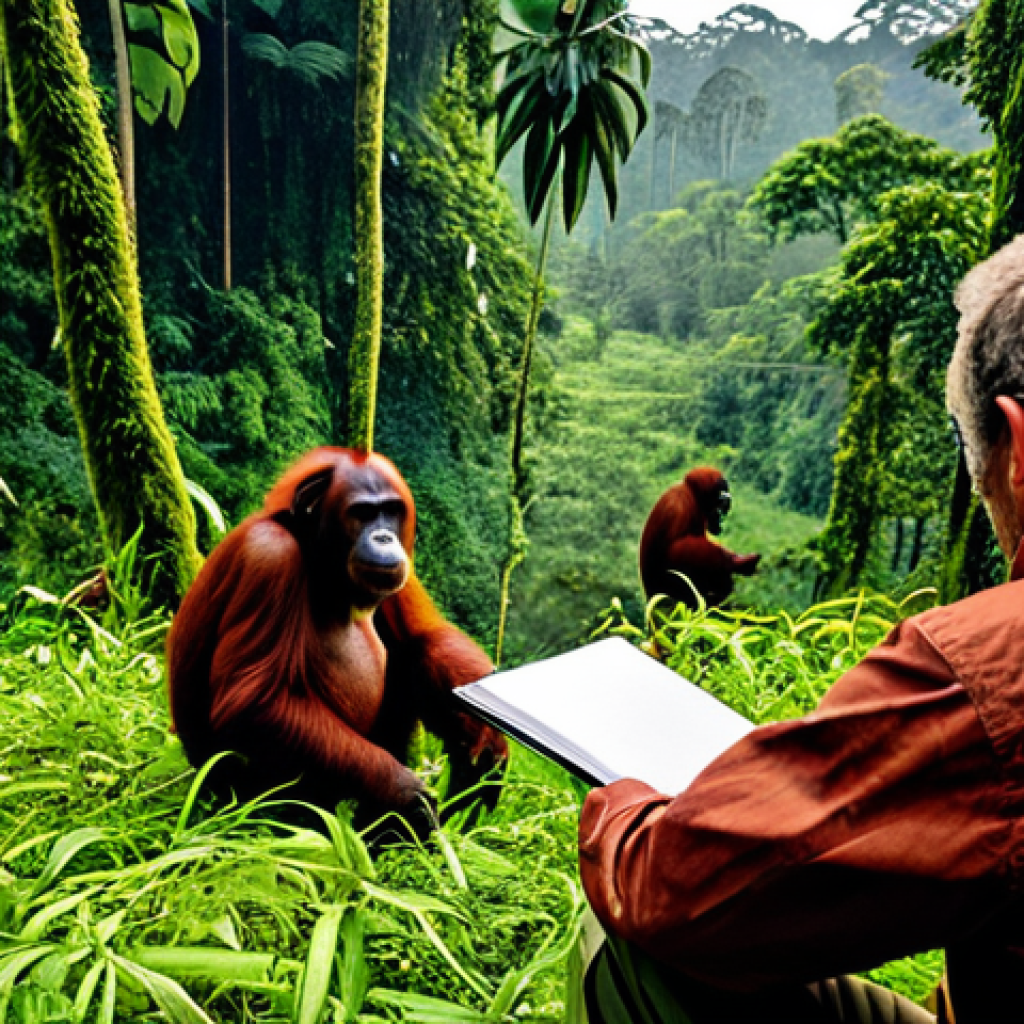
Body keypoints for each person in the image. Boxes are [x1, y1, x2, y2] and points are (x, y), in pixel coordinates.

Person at [578, 238, 1024, 1024]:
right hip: (678, 589)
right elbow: (680, 555)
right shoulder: (680, 511)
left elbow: (668, 890)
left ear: (1017, 448)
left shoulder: (992, 662)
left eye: (970, 452)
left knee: (626, 928)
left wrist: (622, 805)